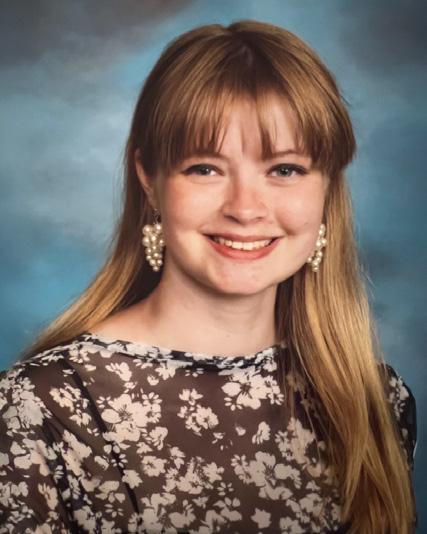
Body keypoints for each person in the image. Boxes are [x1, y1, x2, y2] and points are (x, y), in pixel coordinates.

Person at [0, 20, 417, 534]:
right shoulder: (40, 408)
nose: (245, 208)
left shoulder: (376, 404)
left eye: (285, 169)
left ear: (327, 186)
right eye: (205, 168)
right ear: (149, 179)